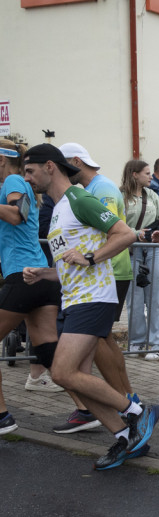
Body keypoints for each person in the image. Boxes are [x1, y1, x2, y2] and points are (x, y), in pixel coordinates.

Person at [22, 143, 159, 469]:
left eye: (30, 171)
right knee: (72, 378)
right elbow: (72, 264)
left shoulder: (79, 199)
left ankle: (139, 412)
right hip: (74, 299)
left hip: (94, 298)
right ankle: (125, 440)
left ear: (50, 167)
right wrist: (45, 273)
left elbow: (124, 234)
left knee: (61, 371)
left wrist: (90, 257)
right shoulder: (57, 209)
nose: (27, 178)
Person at [57, 143, 137, 425]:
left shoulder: (100, 190)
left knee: (102, 340)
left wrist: (90, 258)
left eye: (65, 167)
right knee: (103, 340)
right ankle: (124, 398)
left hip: (110, 271)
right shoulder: (87, 190)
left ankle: (126, 400)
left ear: (76, 162)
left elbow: (115, 232)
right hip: (100, 273)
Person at [0, 140, 63, 435]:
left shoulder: (13, 179)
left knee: (48, 348)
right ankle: (88, 407)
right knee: (48, 349)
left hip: (22, 276)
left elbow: (17, 215)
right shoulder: (21, 183)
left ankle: (2, 417)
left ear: (2, 160)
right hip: (38, 275)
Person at [120, 159, 159, 360]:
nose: (151, 176)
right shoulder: (120, 196)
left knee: (157, 298)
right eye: (147, 173)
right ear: (134, 174)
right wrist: (135, 233)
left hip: (153, 250)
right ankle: (137, 341)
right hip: (131, 251)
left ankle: (157, 342)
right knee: (135, 300)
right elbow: (116, 224)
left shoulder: (153, 195)